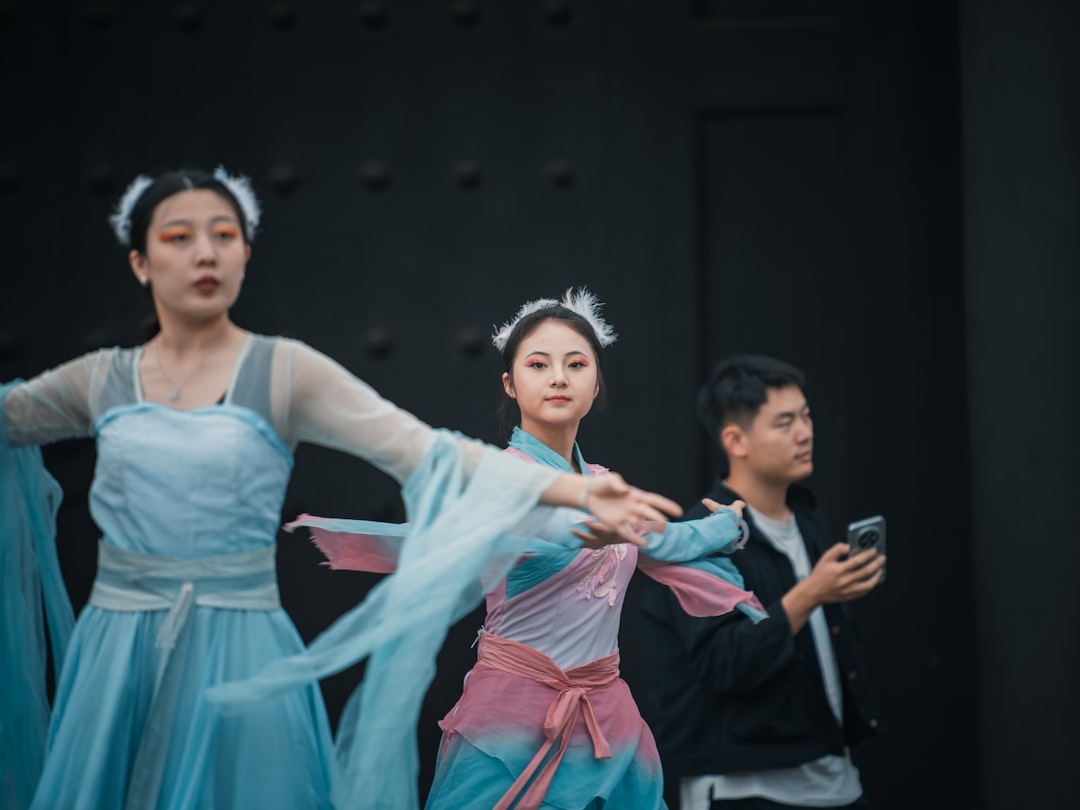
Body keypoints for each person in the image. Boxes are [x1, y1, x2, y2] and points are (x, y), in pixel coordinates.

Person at [0, 169, 683, 810]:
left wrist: (584, 496)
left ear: (245, 255)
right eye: (179, 238)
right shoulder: (99, 380)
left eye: (225, 236)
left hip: (240, 633)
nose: (204, 253)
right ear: (140, 263)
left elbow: (431, 452)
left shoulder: (284, 370)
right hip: (120, 640)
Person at [289, 290, 769, 809]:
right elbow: (535, 530)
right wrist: (590, 525)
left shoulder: (603, 484)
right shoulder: (503, 479)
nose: (558, 377)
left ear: (596, 382)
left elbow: (667, 540)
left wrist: (728, 527)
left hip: (607, 715)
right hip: (512, 718)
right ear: (510, 384)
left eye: (576, 364)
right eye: (538, 364)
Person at [639, 355, 886, 810]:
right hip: (745, 788)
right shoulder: (700, 534)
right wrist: (811, 593)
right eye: (785, 422)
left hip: (832, 777)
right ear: (736, 440)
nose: (804, 432)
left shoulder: (807, 516)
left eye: (807, 416)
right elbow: (725, 662)